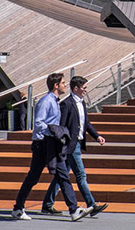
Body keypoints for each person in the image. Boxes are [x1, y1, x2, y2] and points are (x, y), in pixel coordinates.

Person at [11, 73, 92, 221]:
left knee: (63, 175)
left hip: (52, 144)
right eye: (63, 83)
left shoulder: (56, 101)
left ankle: (74, 210)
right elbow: (38, 124)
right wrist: (54, 131)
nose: (65, 85)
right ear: (56, 86)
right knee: (33, 177)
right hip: (42, 144)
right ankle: (18, 208)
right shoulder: (46, 101)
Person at [42, 76, 109, 217]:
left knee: (62, 176)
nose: (86, 90)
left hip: (77, 143)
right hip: (70, 145)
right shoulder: (66, 104)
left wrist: (97, 136)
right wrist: (64, 142)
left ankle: (47, 204)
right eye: (83, 88)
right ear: (76, 88)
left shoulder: (81, 103)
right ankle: (92, 204)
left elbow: (87, 123)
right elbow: (62, 126)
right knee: (80, 175)